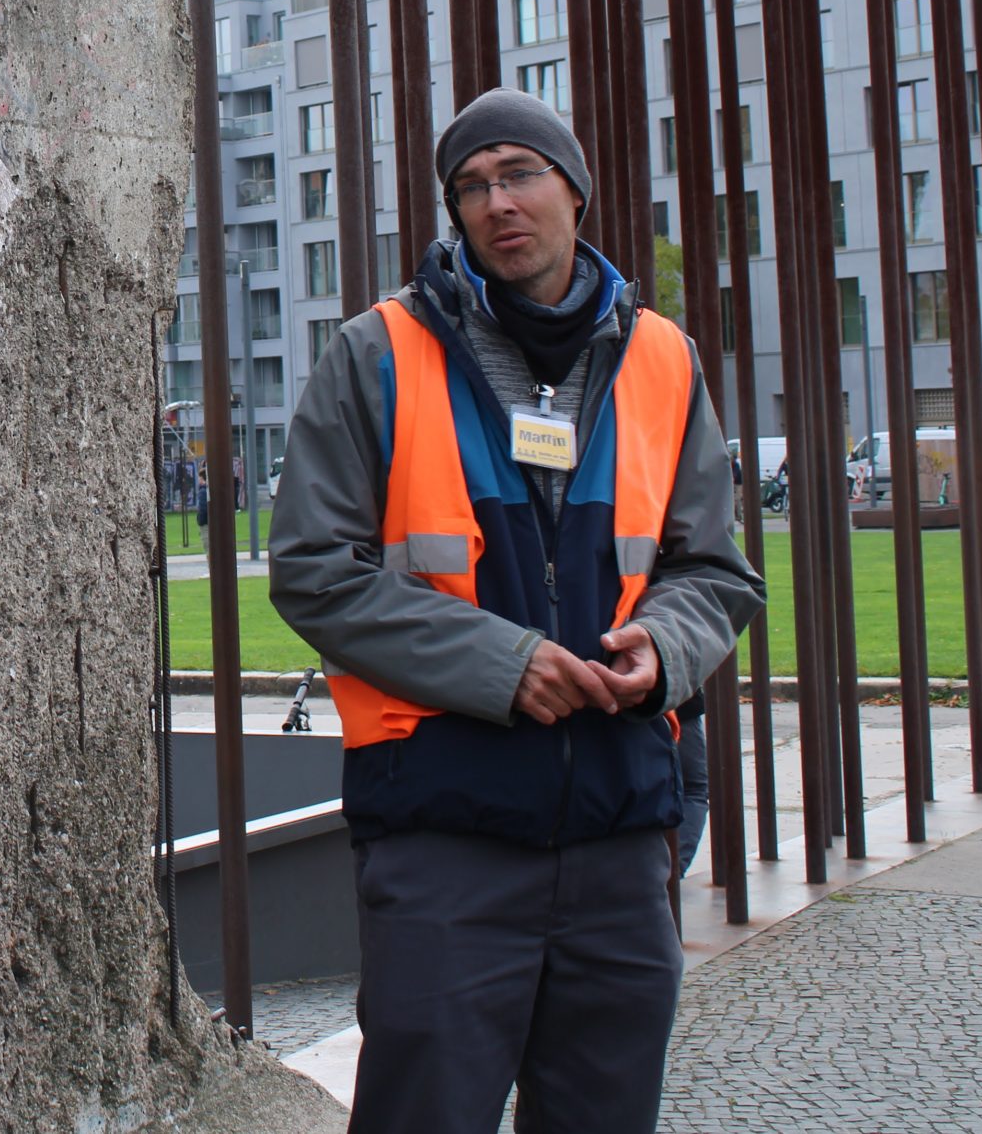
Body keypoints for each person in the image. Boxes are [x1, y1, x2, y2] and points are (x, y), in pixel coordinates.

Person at [268, 88, 763, 1134]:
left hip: (620, 837)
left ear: (573, 189)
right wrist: (503, 662)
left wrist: (663, 647)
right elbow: (314, 566)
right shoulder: (376, 352)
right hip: (445, 831)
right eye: (471, 186)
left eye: (519, 172)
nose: (497, 202)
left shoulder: (662, 359)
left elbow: (715, 568)